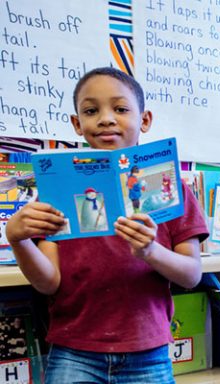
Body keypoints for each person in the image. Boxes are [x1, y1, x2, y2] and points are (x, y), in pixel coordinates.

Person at [5, 67, 208, 384]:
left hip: (148, 350)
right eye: (90, 111)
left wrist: (150, 251)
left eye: (121, 108)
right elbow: (48, 283)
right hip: (75, 351)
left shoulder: (172, 188)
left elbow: (192, 274)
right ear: (77, 123)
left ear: (144, 120)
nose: (106, 119)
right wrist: (19, 241)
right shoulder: (57, 189)